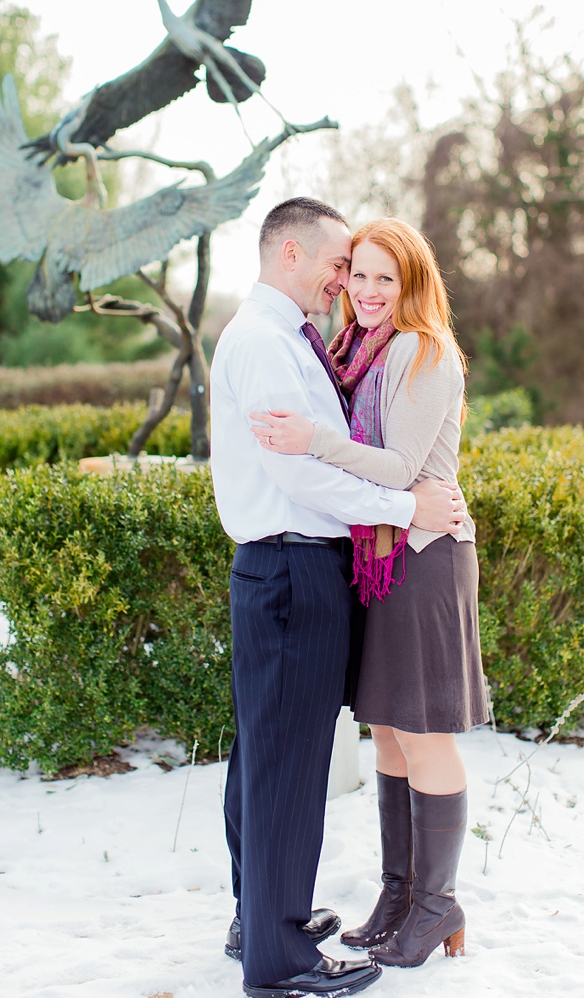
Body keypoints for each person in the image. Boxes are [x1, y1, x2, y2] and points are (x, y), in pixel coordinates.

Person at [210, 197, 466, 998]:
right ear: (293, 254)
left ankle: (283, 915)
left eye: (373, 273)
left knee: (281, 751)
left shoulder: (334, 345)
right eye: (343, 267)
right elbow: (301, 468)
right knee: (284, 758)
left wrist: (402, 502)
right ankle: (278, 953)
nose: (347, 283)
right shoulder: (270, 341)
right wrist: (402, 507)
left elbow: (370, 453)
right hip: (298, 562)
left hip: (348, 562)